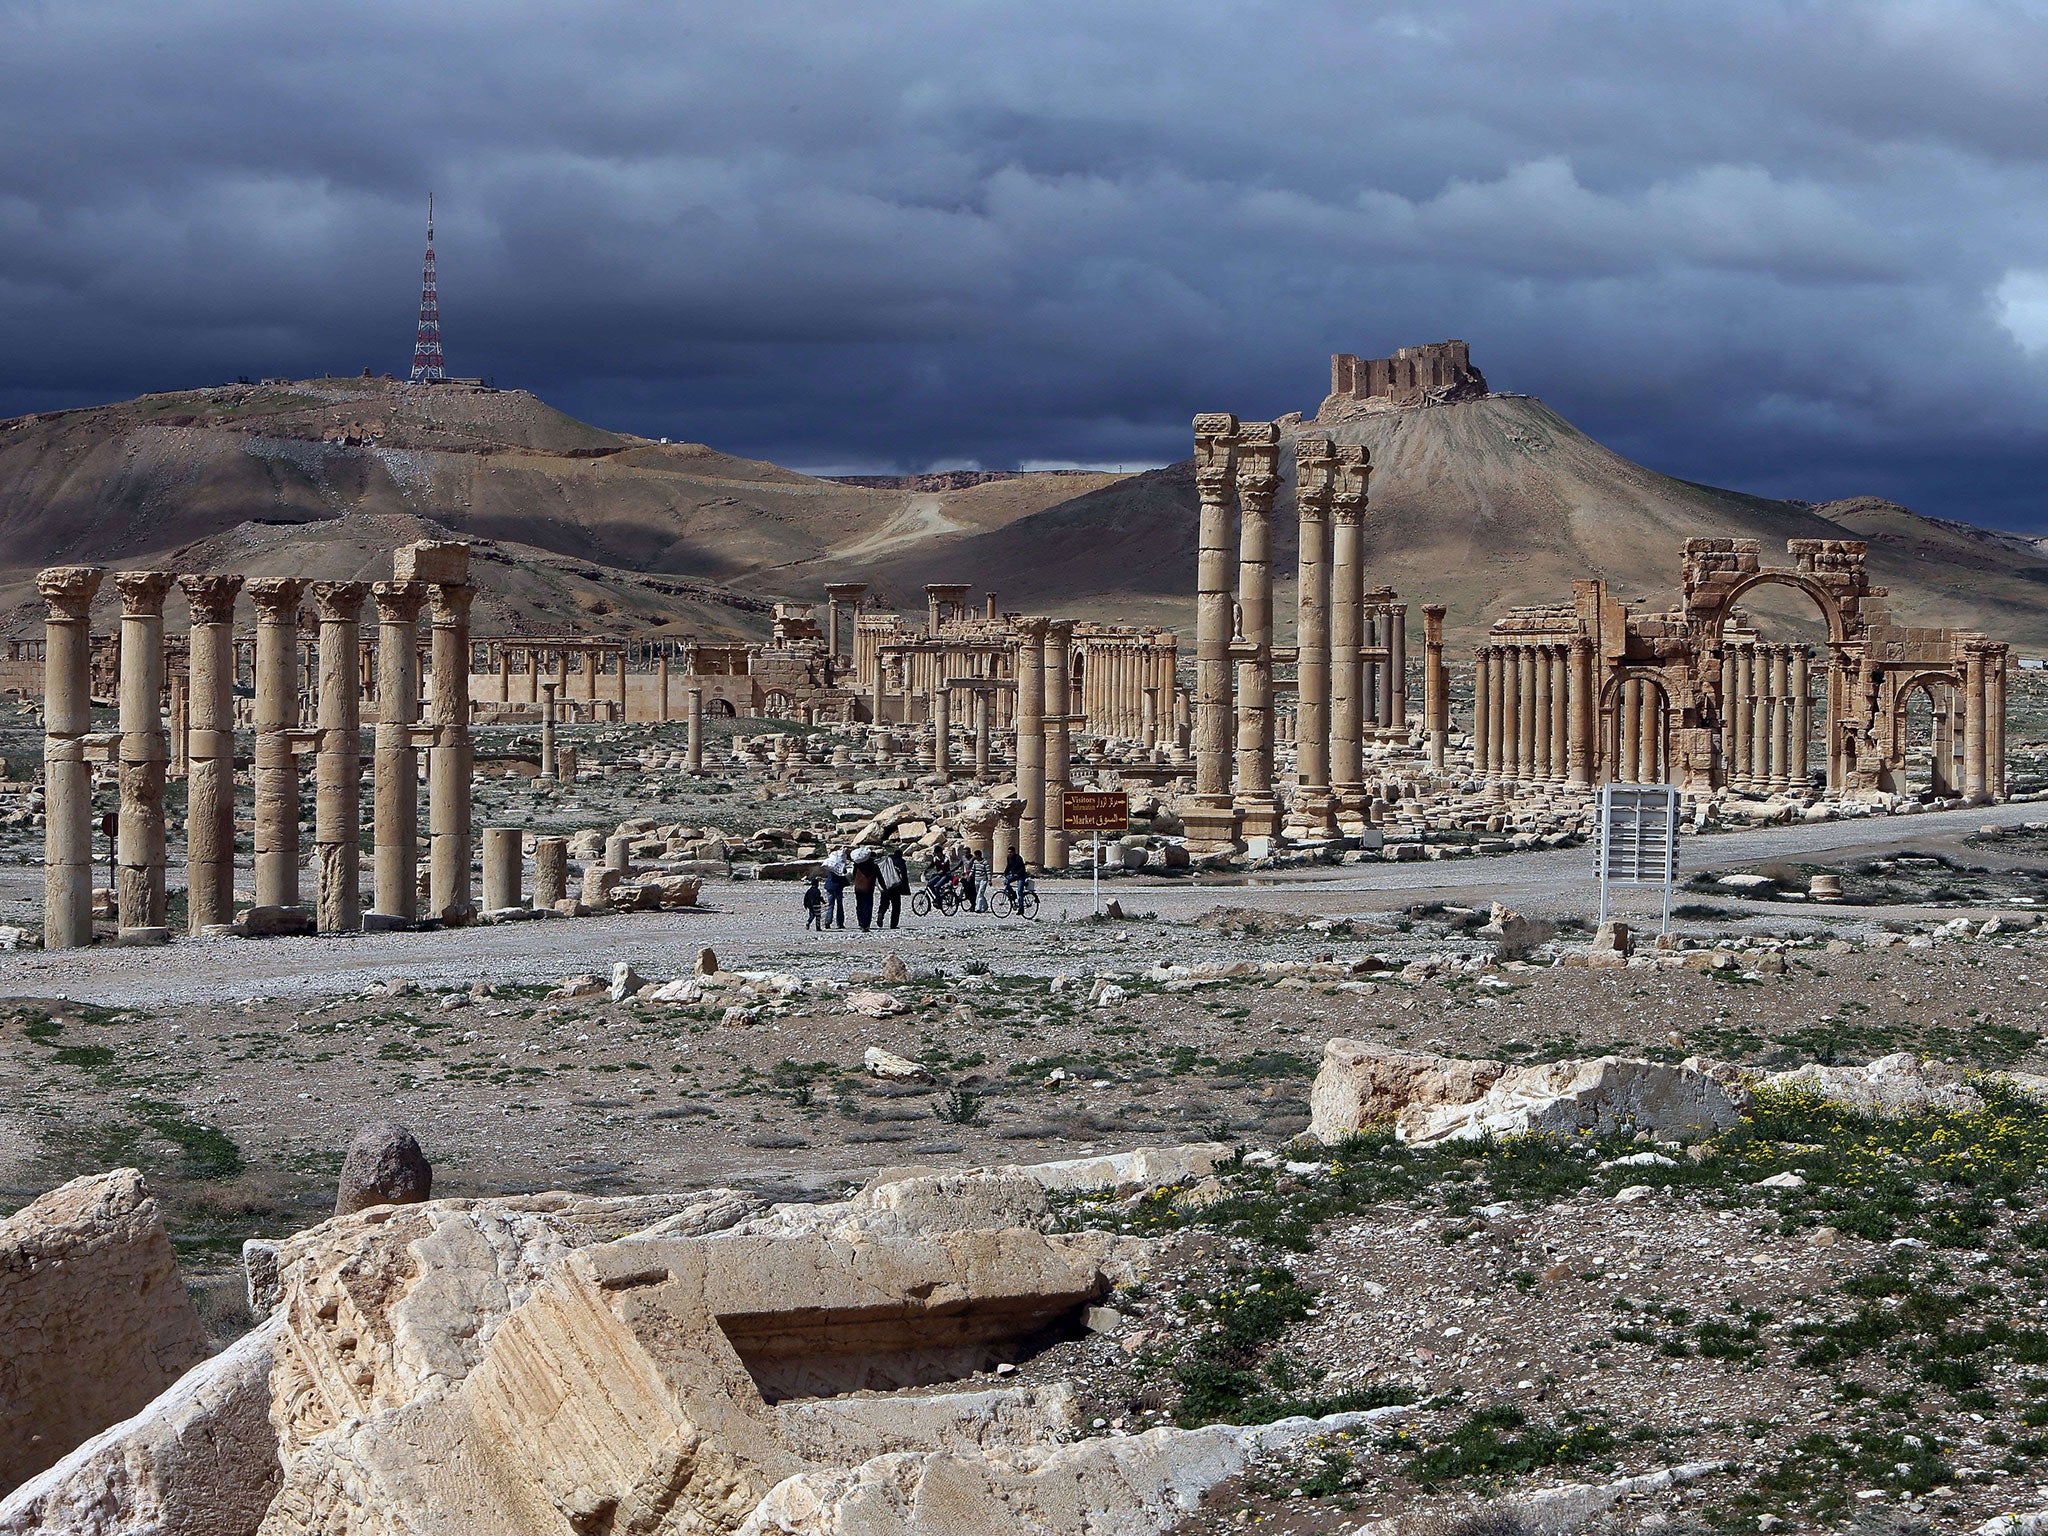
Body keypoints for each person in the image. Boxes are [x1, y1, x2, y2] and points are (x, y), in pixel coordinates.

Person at [878, 846, 908, 929]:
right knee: (896, 906)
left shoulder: (887, 861)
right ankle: (893, 924)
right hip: (896, 886)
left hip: (885, 885)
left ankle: (881, 913)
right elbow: (904, 877)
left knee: (884, 903)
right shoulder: (901, 862)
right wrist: (905, 890)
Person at [850, 846, 878, 932]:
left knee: (859, 906)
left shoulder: (857, 865)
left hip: (858, 888)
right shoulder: (873, 866)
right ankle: (866, 925)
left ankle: (861, 923)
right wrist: (884, 887)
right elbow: (879, 877)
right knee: (868, 906)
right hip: (868, 888)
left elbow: (853, 875)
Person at [822, 846, 850, 929]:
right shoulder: (840, 867)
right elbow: (844, 873)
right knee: (839, 905)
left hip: (830, 887)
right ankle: (840, 923)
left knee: (830, 905)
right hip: (838, 888)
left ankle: (827, 921)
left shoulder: (831, 866)